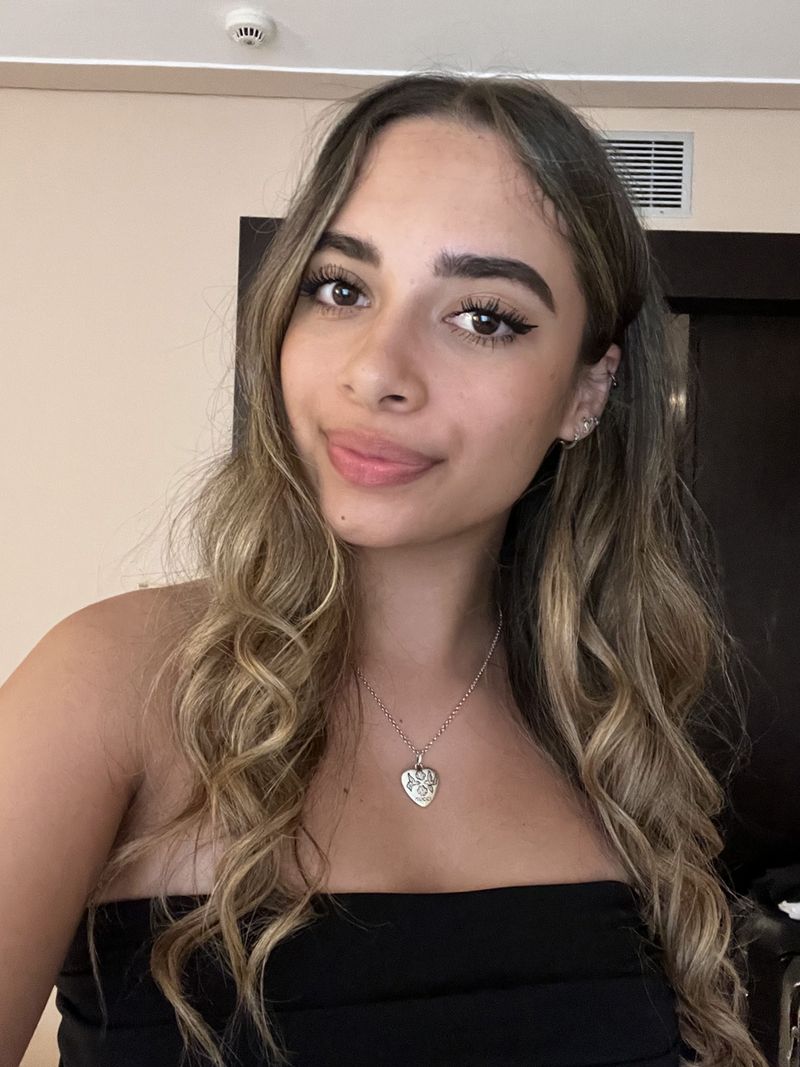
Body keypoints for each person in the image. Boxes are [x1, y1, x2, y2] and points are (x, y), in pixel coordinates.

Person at [0, 71, 768, 1067]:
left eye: (482, 316)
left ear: (589, 387)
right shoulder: (111, 684)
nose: (375, 370)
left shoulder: (611, 735)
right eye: (341, 288)